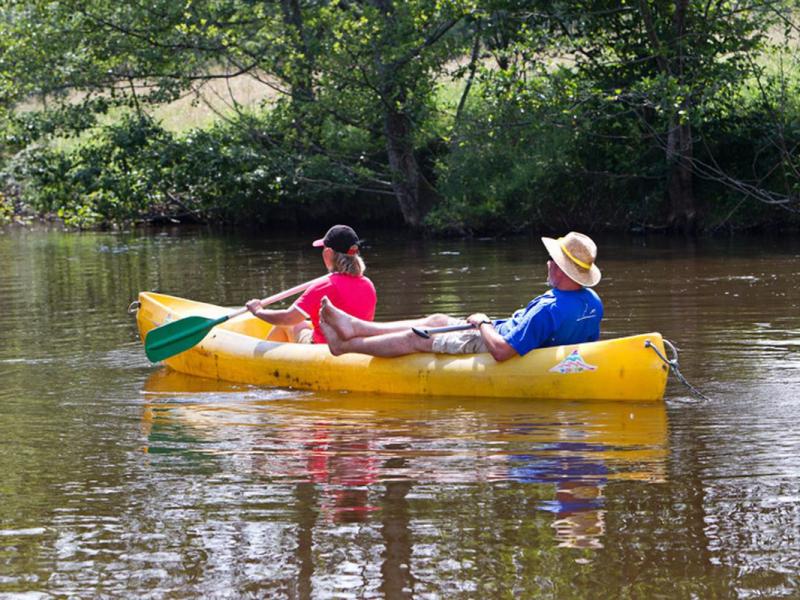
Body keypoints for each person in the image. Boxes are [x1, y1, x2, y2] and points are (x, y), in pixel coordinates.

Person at [319, 231, 603, 361]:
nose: (548, 263)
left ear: (562, 270)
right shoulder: (592, 301)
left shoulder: (549, 309)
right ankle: (356, 328)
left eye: (552, 260)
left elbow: (503, 351)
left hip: (490, 341)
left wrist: (482, 323)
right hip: (508, 335)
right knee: (437, 318)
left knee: (417, 337)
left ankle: (344, 347)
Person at [246, 225, 377, 344]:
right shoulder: (368, 284)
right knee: (304, 324)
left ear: (328, 253)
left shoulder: (324, 286)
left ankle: (264, 366)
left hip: (321, 349)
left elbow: (287, 318)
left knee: (285, 325)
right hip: (357, 348)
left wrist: (258, 311)